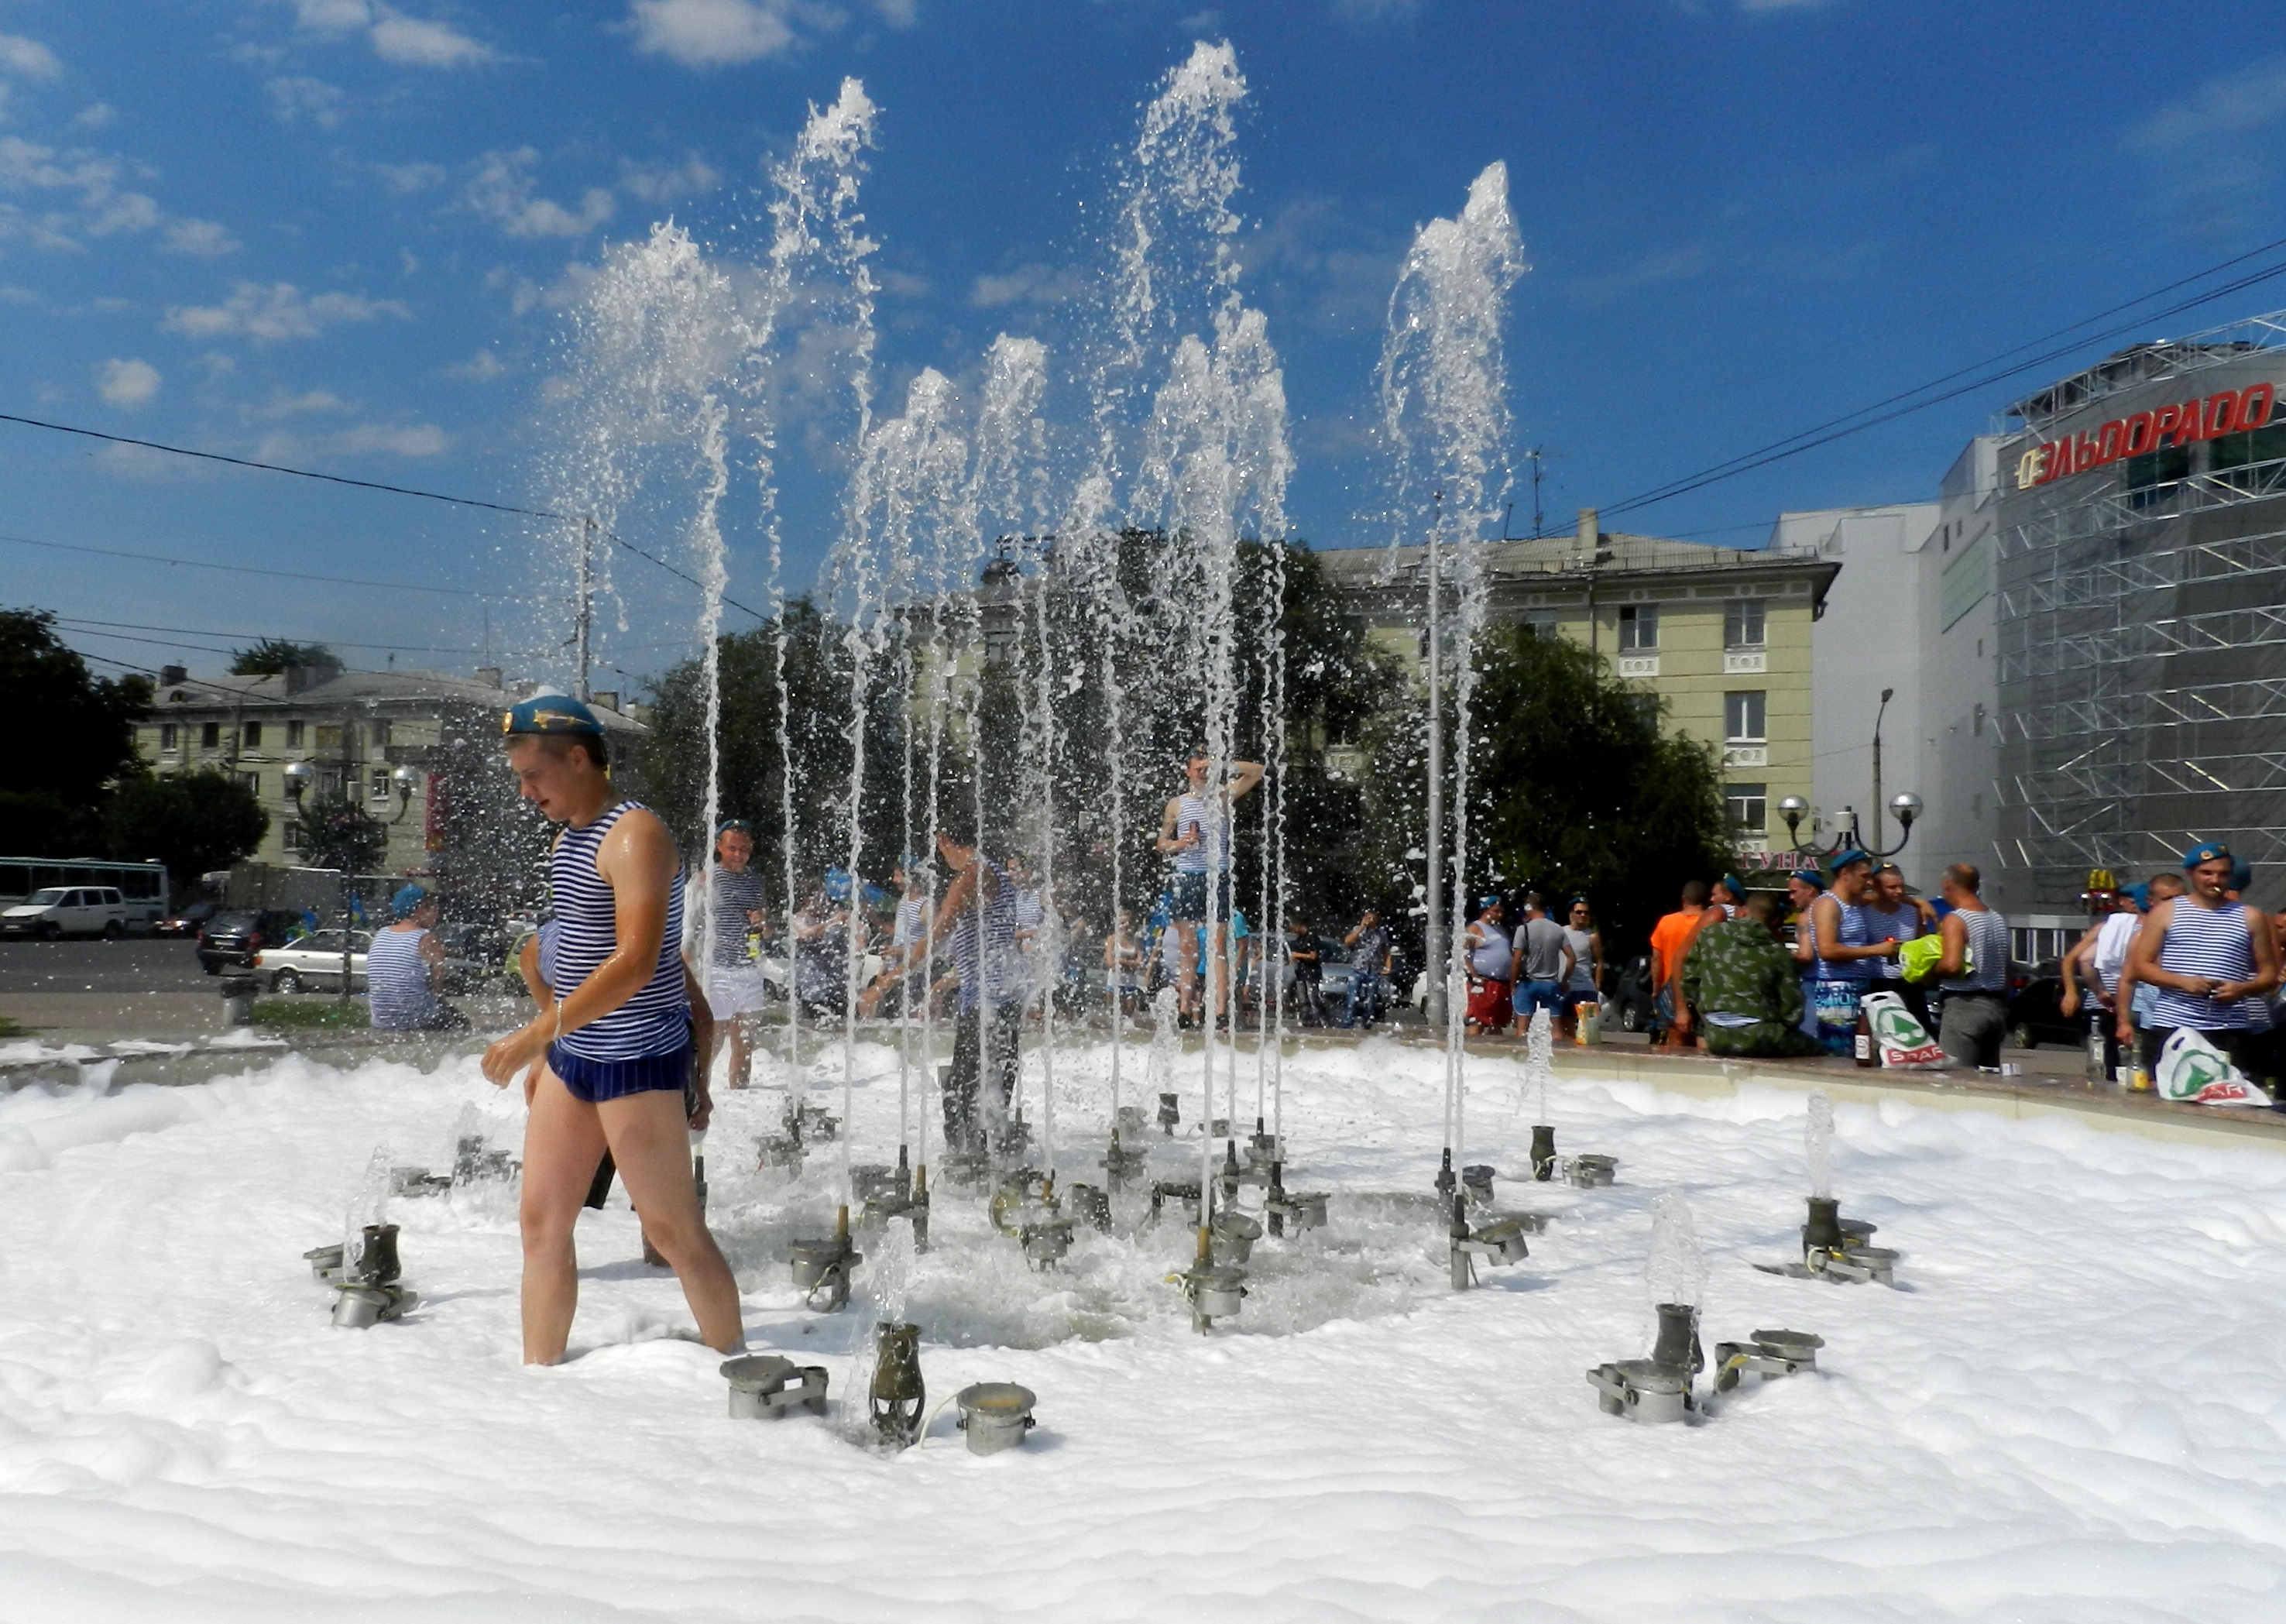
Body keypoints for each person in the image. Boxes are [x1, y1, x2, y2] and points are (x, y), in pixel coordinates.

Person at [477, 695, 742, 1365]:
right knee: (540, 1225)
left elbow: (637, 962)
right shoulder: (568, 839)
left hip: (638, 1059)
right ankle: (538, 1377)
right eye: (518, 777)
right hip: (576, 1057)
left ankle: (738, 1366)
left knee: (671, 1229)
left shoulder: (636, 834)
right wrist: (550, 1048)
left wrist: (535, 1034)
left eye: (533, 773)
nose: (525, 790)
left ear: (577, 757)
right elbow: (575, 956)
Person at [2121, 842, 2282, 1096]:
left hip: (2230, 1030)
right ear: (2191, 874)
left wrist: (2242, 989)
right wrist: (2183, 982)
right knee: (2165, 1098)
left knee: (2232, 1100)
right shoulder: (2166, 912)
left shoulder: (2250, 916)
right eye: (2207, 873)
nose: (2214, 880)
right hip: (2174, 1026)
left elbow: (2269, 975)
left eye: (2222, 874)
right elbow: (2140, 966)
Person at [1156, 748, 1264, 1025]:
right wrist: (1180, 844)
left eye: (1207, 769)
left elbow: (1258, 771)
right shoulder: (1177, 804)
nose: (1203, 773)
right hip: (1187, 876)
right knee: (1188, 947)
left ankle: (1219, 1010)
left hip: (1218, 875)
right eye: (1199, 769)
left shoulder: (1223, 796)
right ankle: (1184, 1009)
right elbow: (1161, 844)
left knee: (1219, 945)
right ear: (1188, 772)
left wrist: (1222, 763)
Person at [932, 818, 1021, 1151]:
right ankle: (994, 1162)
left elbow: (935, 937)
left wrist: (882, 983)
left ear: (944, 840)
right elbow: (992, 947)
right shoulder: (997, 873)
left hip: (986, 1003)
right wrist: (944, 983)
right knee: (994, 1085)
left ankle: (967, 1168)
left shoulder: (971, 877)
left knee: (960, 1091)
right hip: (1006, 997)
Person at [1680, 892, 1822, 1058]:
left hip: (1714, 1034)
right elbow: (1792, 1012)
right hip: (1761, 1036)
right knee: (1820, 1052)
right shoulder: (1779, 953)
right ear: (1775, 921)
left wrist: (1709, 1016)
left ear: (1743, 911)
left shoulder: (1710, 935)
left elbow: (1689, 981)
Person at [1804, 852, 1898, 1056]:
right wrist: (1877, 950)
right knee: (1840, 1054)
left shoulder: (1854, 903)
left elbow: (1884, 895)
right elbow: (1827, 950)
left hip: (1859, 986)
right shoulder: (1828, 904)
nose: (1869, 882)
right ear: (1845, 874)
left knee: (1862, 1050)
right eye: (1864, 876)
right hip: (1837, 989)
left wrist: (1919, 903)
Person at [700, 821, 768, 1088]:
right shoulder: (708, 879)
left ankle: (740, 1096)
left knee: (745, 1043)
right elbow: (688, 922)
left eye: (744, 849)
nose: (738, 855)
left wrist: (764, 922)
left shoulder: (754, 881)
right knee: (712, 1040)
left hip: (750, 970)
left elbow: (768, 931)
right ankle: (696, 1092)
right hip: (717, 970)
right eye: (732, 848)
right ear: (719, 847)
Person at [1929, 862, 2011, 1070]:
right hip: (1996, 1007)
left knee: (1957, 1078)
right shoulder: (1997, 918)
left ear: (1948, 885)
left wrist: (1928, 973)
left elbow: (1951, 966)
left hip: (1965, 1005)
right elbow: (2006, 967)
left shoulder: (1956, 920)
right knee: (1988, 1078)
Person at [367, 884, 468, 1032]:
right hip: (417, 1018)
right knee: (461, 1023)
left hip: (382, 1019)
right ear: (420, 910)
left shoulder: (381, 934)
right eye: (434, 910)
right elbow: (437, 988)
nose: (437, 916)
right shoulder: (427, 939)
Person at [1863, 863, 1937, 1033]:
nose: (1899, 891)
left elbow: (1923, 944)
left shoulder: (1913, 912)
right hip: (1878, 982)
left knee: (1920, 1034)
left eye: (1901, 886)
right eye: (1892, 887)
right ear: (1877, 888)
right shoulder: (1864, 912)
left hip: (1909, 984)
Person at [1648, 881, 1711, 1049]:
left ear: (1683, 899)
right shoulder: (1712, 924)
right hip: (1703, 988)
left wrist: (1656, 989)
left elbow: (1656, 959)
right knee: (1703, 1041)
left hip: (1672, 987)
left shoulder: (1666, 922)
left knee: (1675, 1041)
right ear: (1707, 900)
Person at [1510, 893, 1573, 1035]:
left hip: (1528, 984)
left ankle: (1521, 1055)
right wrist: (1564, 980)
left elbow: (1516, 961)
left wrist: (1513, 985)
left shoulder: (1523, 930)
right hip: (1551, 984)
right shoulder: (1558, 929)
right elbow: (1572, 958)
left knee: (1522, 1027)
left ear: (1528, 907)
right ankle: (1559, 1055)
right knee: (1556, 1027)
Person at [1463, 895, 1511, 1038]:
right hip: (1484, 983)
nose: (1500, 915)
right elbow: (1461, 954)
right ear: (1485, 910)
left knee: (1497, 1023)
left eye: (1502, 911)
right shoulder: (1475, 928)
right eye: (1496, 911)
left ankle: (1495, 1055)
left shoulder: (1500, 929)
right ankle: (1471, 1054)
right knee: (1478, 1022)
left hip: (1502, 984)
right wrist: (1474, 976)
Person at [1558, 898, 1604, 1039]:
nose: (1583, 916)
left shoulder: (1592, 936)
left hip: (1585, 988)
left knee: (1587, 1031)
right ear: (1571, 913)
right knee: (1565, 1027)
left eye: (1586, 913)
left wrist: (1597, 987)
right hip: (1565, 987)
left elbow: (1600, 961)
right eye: (1579, 912)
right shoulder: (1560, 932)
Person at [1342, 908, 1392, 1029]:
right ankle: (1347, 1024)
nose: (1371, 921)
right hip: (1358, 969)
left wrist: (1388, 967)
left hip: (1374, 970)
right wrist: (1361, 927)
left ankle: (1367, 1024)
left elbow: (1386, 951)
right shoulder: (1357, 930)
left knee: (1370, 1001)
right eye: (1368, 918)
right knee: (1352, 1000)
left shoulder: (1381, 933)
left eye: (1373, 918)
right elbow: (1347, 941)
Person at [1104, 909, 1144, 1021]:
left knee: (1130, 1012)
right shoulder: (1112, 939)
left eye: (1128, 923)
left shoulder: (1137, 940)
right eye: (1122, 923)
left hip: (1130, 980)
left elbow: (1139, 962)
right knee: (1115, 1015)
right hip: (1115, 981)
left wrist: (1121, 961)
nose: (1126, 926)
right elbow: (1110, 962)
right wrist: (1130, 963)